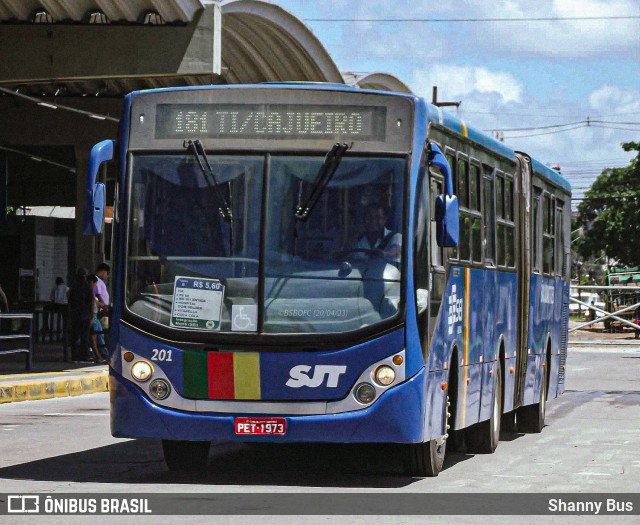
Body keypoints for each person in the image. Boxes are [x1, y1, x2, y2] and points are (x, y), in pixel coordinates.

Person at [67, 267, 94, 362]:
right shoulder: (88, 287)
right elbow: (91, 302)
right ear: (85, 276)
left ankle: (74, 356)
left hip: (75, 315)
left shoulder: (73, 287)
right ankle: (84, 356)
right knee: (85, 337)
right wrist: (92, 316)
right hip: (86, 315)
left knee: (74, 337)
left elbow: (69, 301)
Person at [87, 274, 108, 363]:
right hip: (93, 317)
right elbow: (94, 304)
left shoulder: (90, 292)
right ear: (92, 282)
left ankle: (103, 354)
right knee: (94, 338)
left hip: (94, 317)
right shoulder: (89, 292)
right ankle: (99, 356)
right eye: (95, 284)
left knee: (99, 335)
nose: (95, 286)